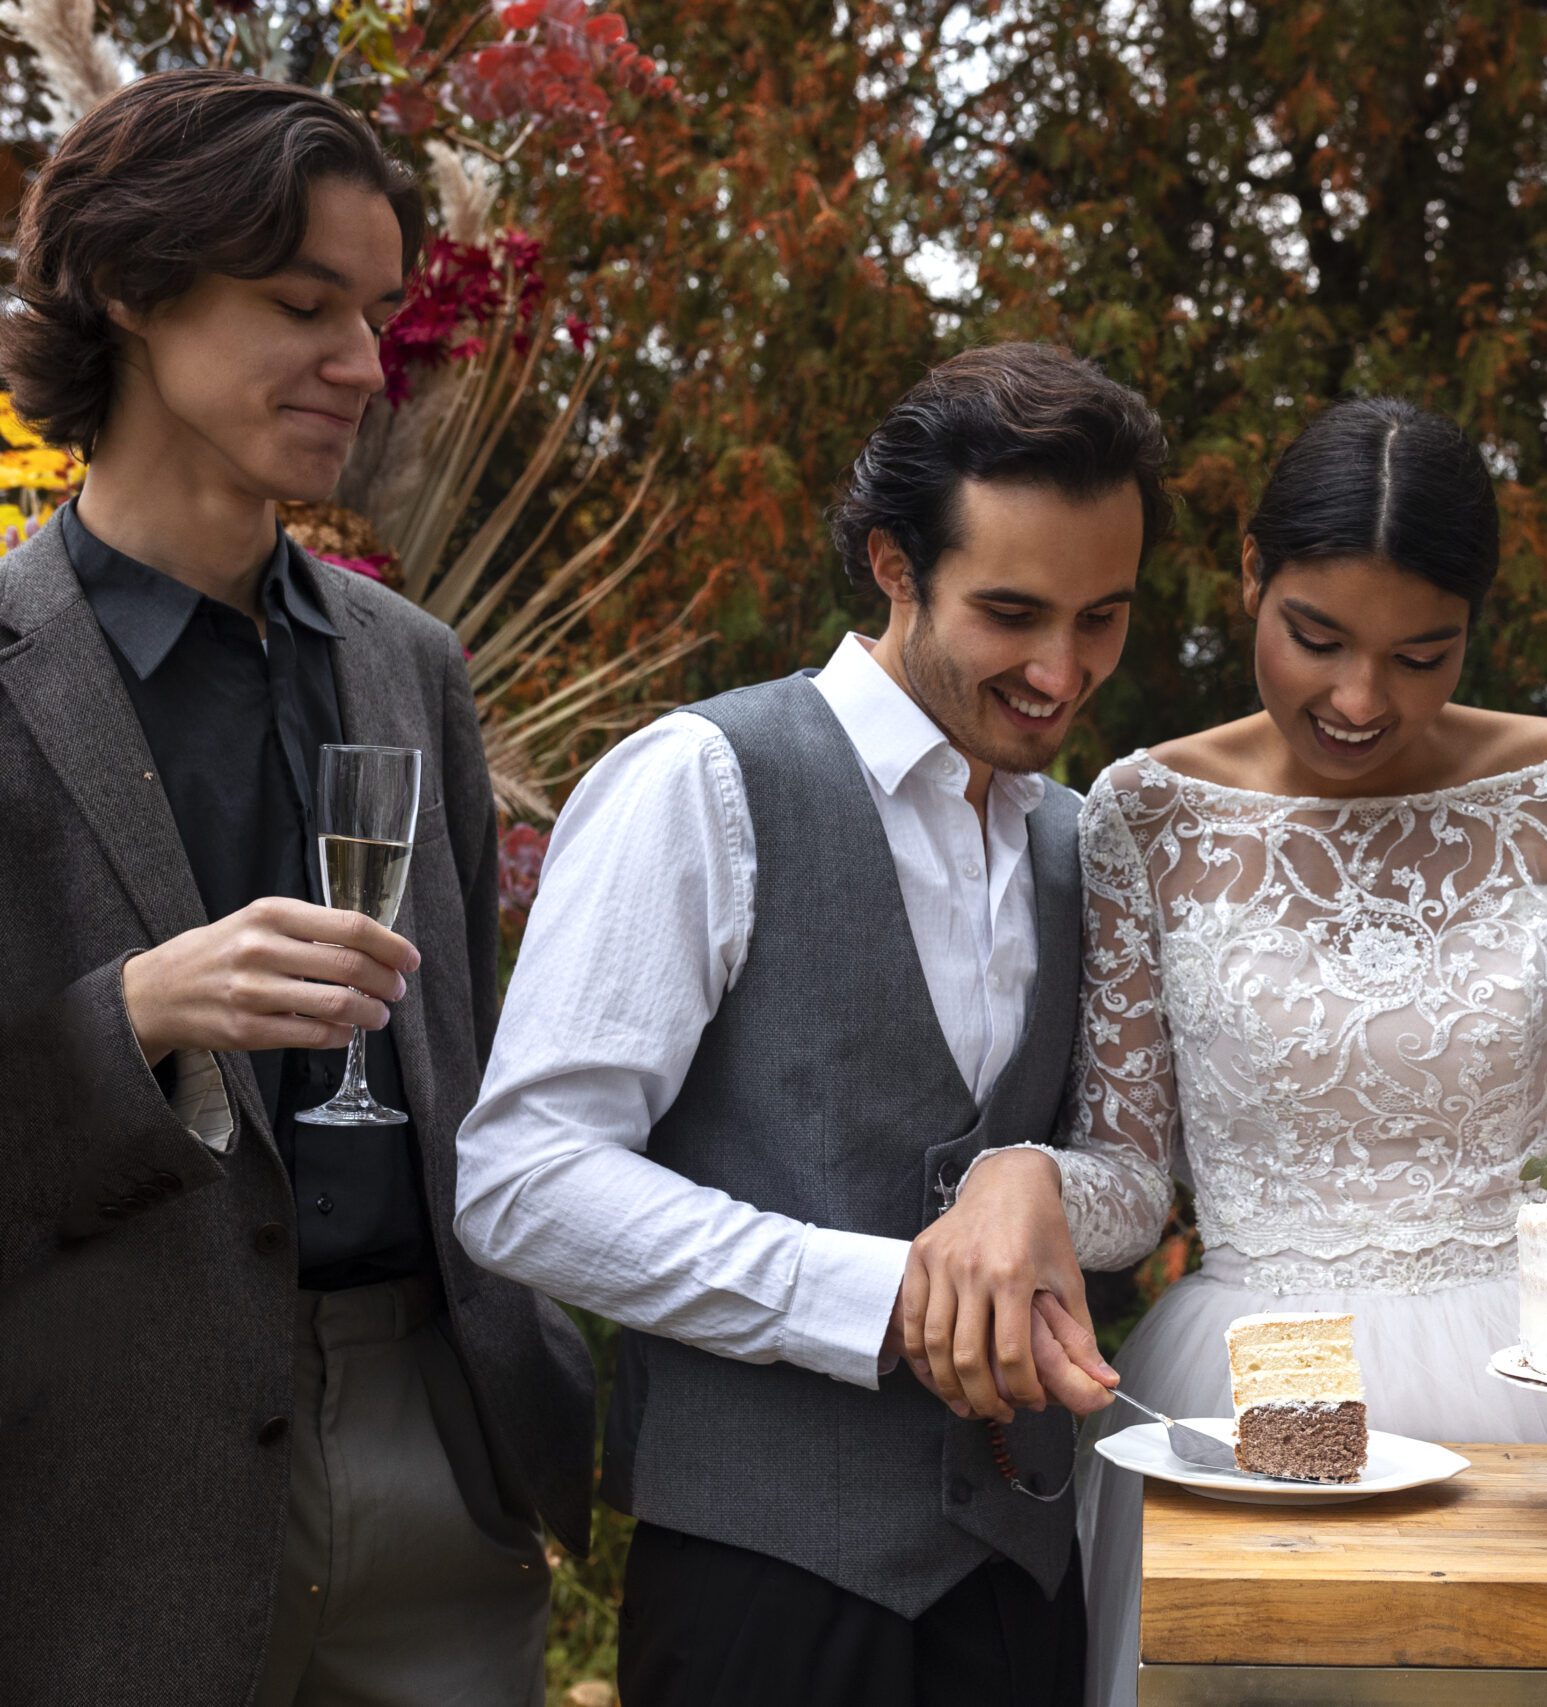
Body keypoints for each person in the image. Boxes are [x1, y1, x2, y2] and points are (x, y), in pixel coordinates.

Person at [912, 396, 1547, 1707]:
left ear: (1476, 624)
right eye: (1317, 637)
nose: (1360, 699)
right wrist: (1030, 1177)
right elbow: (1133, 1181)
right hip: (1258, 1399)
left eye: (1424, 653)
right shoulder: (1144, 816)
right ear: (1252, 576)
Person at [0, 69, 593, 1705]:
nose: (361, 361)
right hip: (107, 1502)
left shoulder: (416, 666)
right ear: (131, 289)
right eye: (300, 304)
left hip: (439, 1465)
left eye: (378, 310)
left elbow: (483, 1062)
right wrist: (133, 1016)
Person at [455, 341, 1162, 1707]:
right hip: (759, 1598)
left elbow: (1124, 1178)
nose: (1062, 672)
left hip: (1019, 1585)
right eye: (1012, 613)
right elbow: (525, 1180)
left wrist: (1040, 1186)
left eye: (1104, 619)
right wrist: (881, 1295)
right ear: (895, 566)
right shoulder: (702, 783)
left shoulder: (1089, 847)